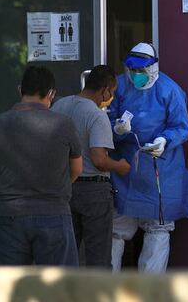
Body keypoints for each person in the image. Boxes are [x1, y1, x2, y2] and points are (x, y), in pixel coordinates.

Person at [108, 42, 188, 273]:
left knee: (158, 228)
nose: (136, 76)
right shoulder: (118, 86)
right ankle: (106, 290)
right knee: (116, 230)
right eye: (132, 71)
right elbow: (103, 120)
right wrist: (115, 130)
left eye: (141, 71)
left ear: (153, 68)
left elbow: (181, 127)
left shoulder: (170, 90)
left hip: (160, 169)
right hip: (124, 167)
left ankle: (151, 293)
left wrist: (164, 140)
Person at [0, 65, 82, 266]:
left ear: (20, 90)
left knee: (7, 288)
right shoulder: (64, 124)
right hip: (54, 213)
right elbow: (76, 169)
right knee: (58, 290)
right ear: (51, 93)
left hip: (9, 215)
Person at [51, 65, 130, 267]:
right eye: (112, 91)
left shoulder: (60, 106)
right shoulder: (97, 115)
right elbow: (99, 159)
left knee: (66, 254)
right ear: (105, 89)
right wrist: (119, 166)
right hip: (93, 191)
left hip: (64, 188)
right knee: (98, 258)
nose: (111, 96)